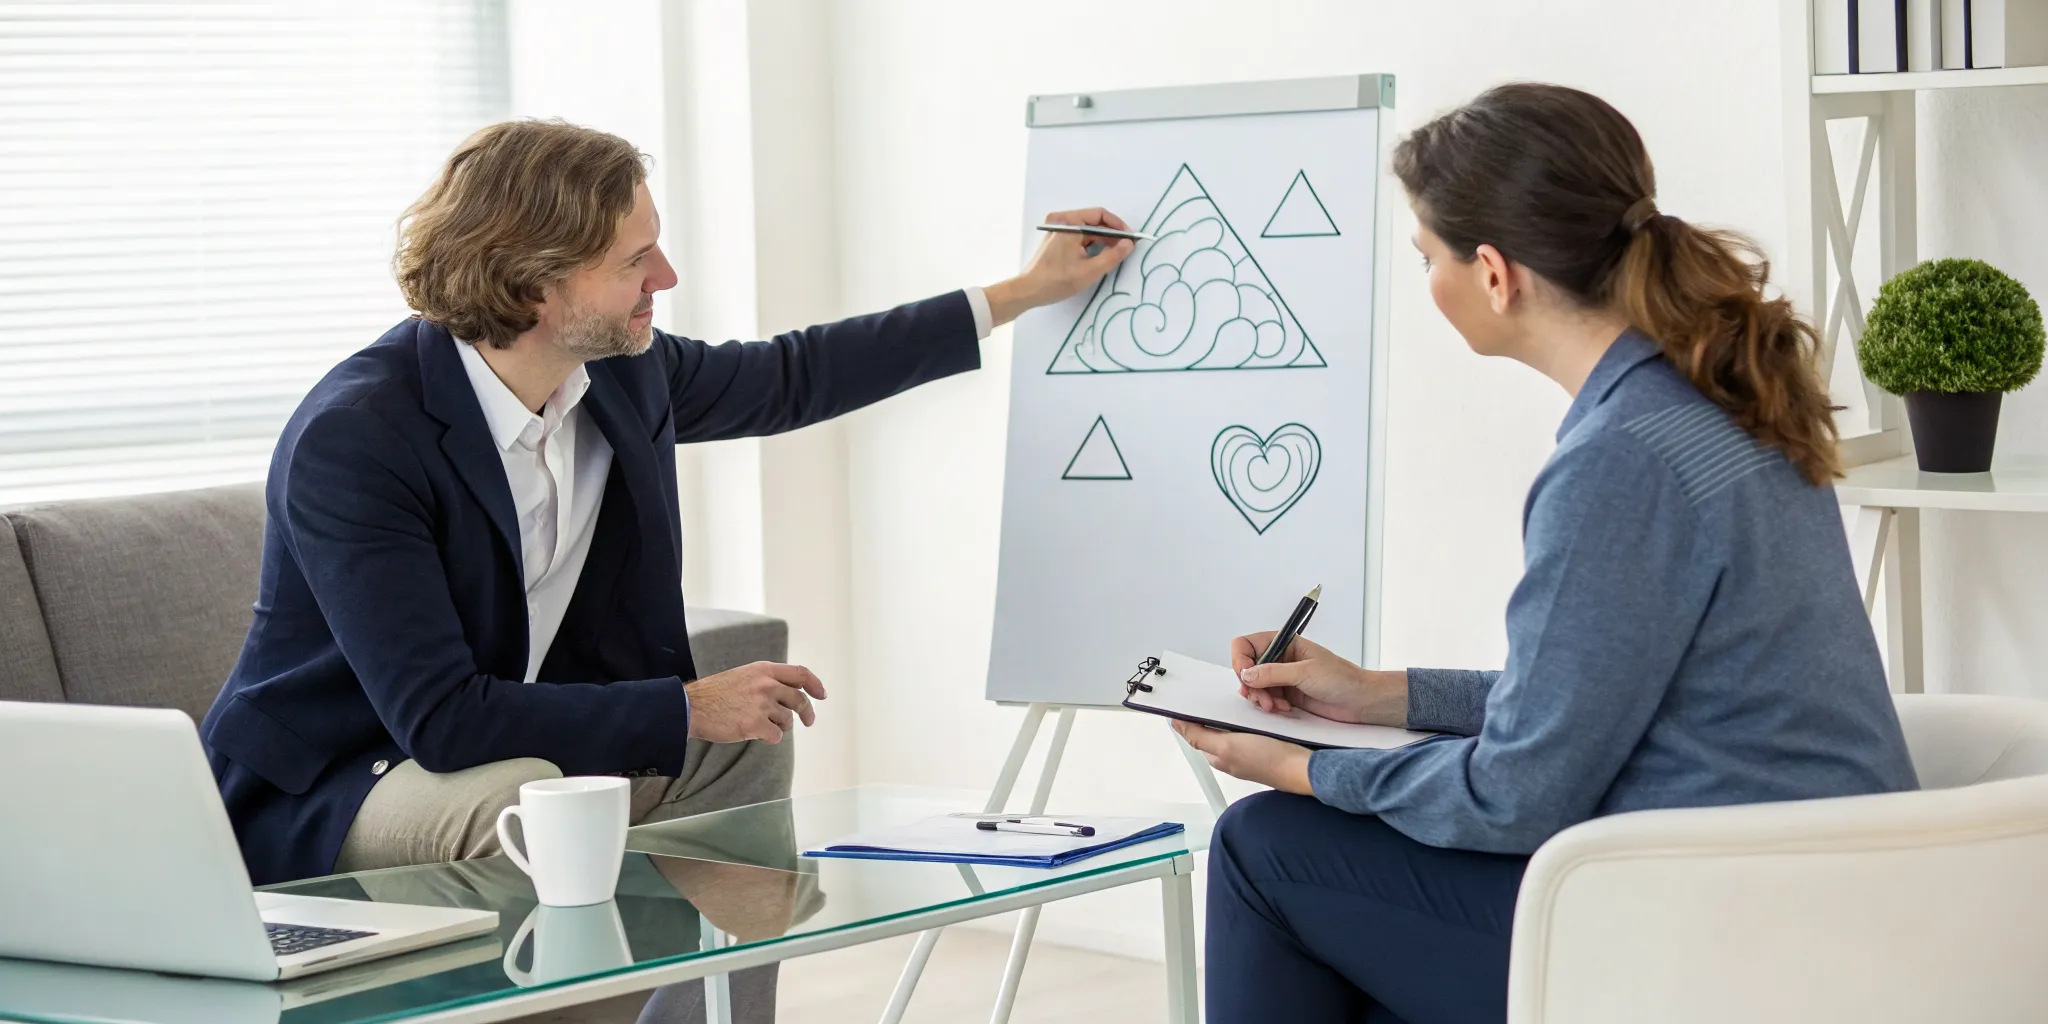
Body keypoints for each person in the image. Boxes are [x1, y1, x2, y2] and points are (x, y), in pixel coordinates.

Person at [200, 119, 1135, 887]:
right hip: (342, 779)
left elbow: (792, 376)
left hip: (493, 744)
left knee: (748, 743)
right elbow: (441, 718)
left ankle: (689, 996)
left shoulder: (619, 372)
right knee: (539, 807)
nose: (667, 278)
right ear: (534, 285)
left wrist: (1025, 292)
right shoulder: (358, 438)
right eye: (635, 259)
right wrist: (685, 705)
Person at [1173, 83, 1919, 1024]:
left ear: (1494, 273)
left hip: (1725, 931)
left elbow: (1514, 795)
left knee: (1265, 845)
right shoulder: (1712, 403)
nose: (1428, 281)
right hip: (1837, 897)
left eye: (1428, 258)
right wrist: (1377, 694)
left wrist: (1296, 768)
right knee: (1357, 923)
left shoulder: (1617, 462)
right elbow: (1590, 700)